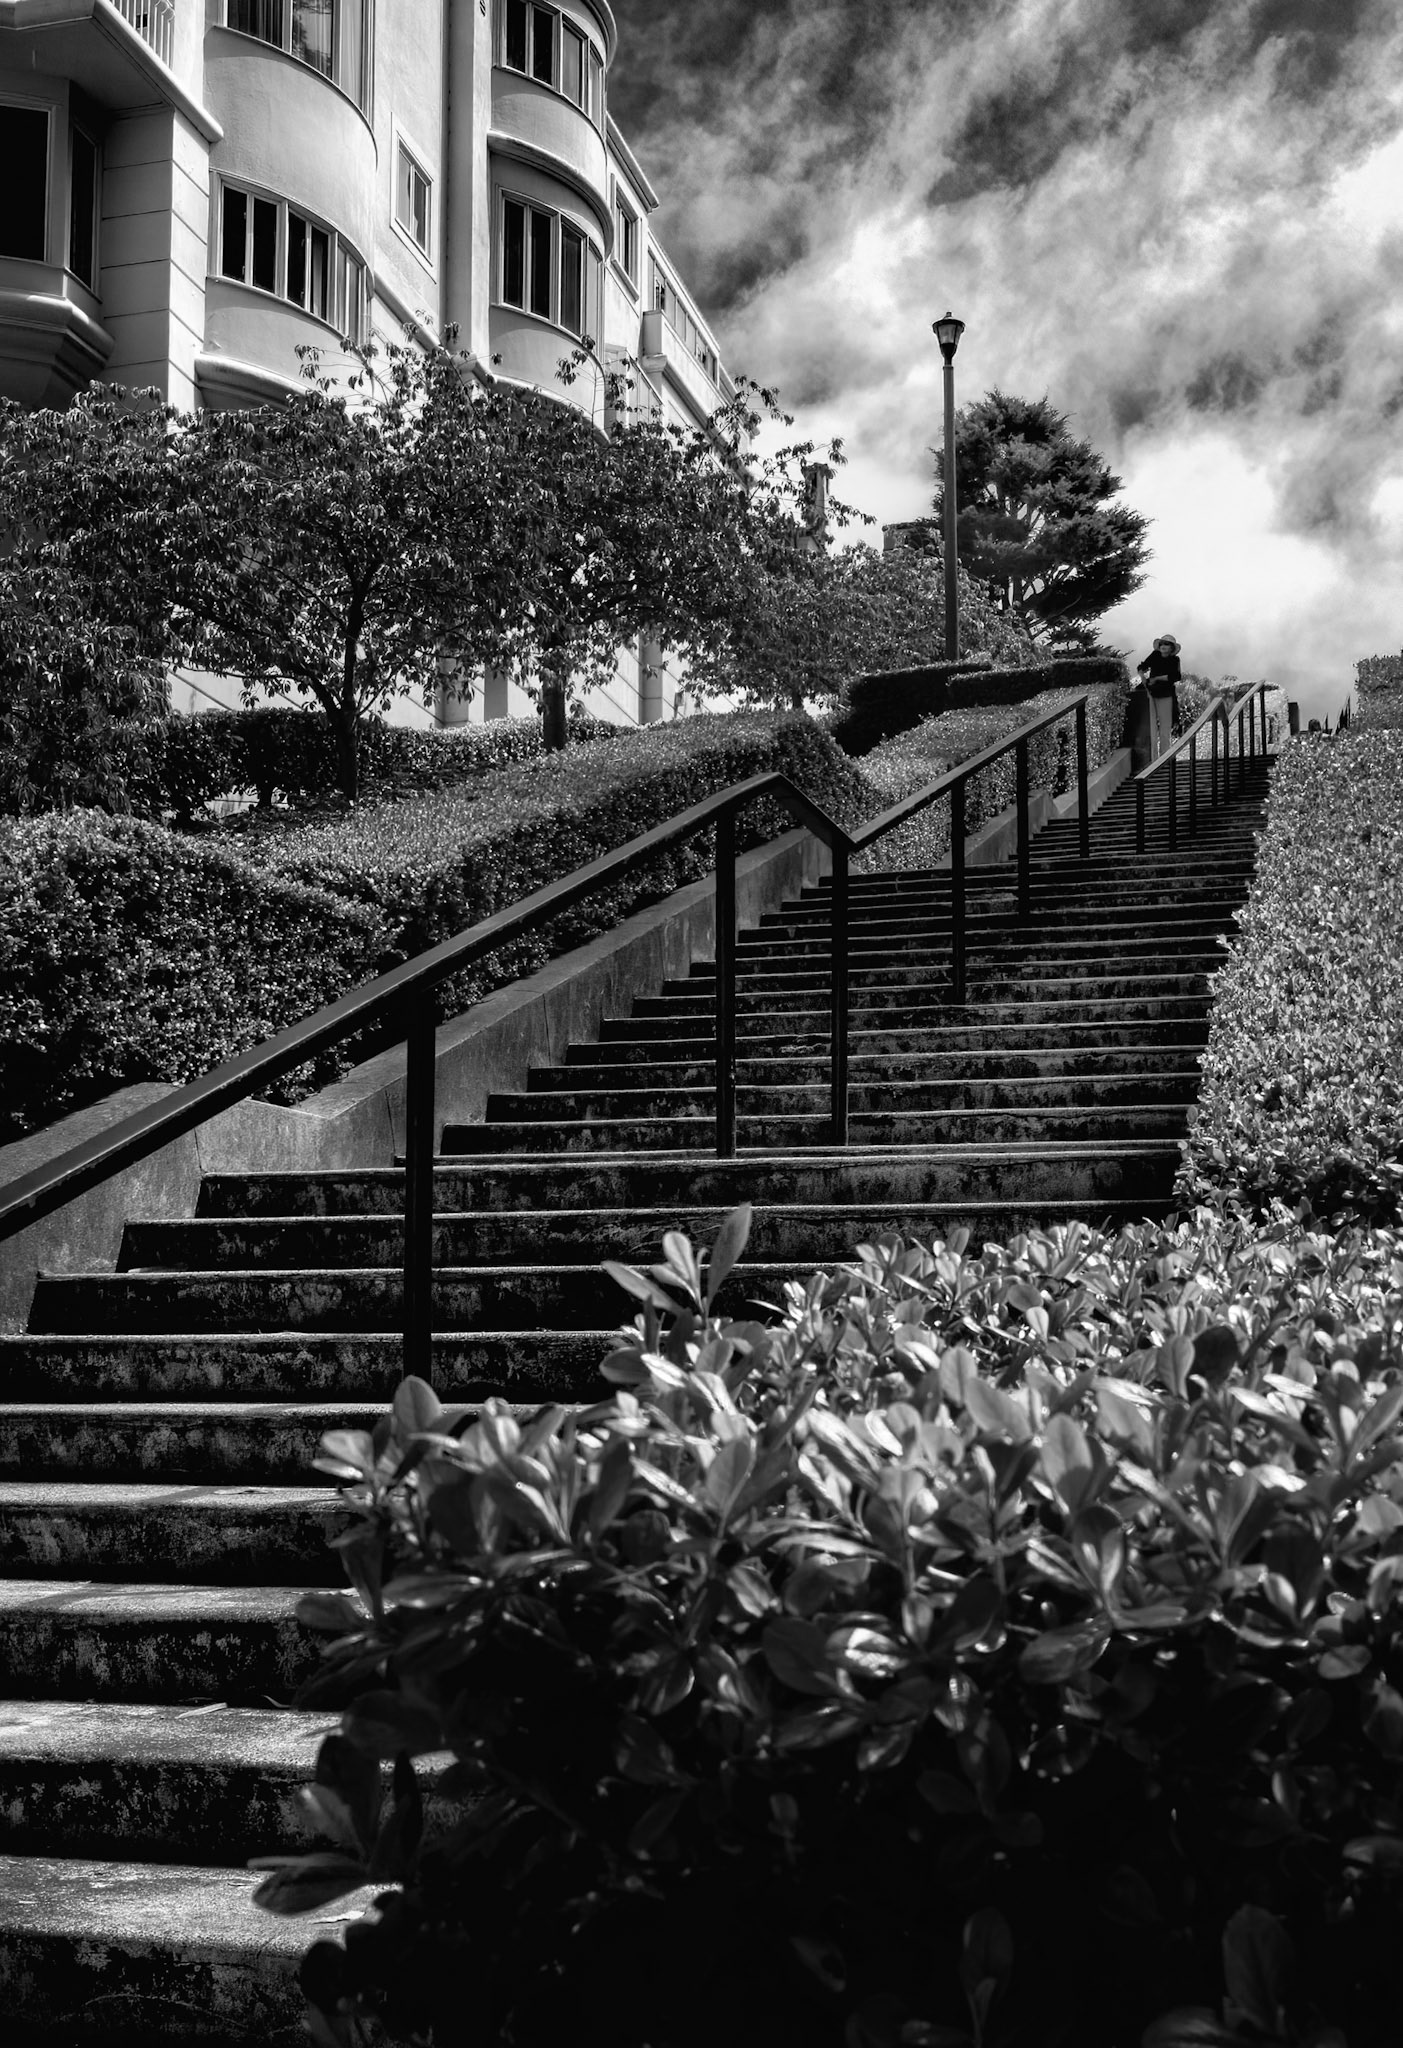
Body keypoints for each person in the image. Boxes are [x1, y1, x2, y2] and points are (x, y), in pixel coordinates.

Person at [1136, 634, 1182, 758]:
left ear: (1171, 648)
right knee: (1151, 728)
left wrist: (1156, 678)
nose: (1163, 646)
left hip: (1166, 695)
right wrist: (1143, 677)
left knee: (1165, 728)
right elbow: (1142, 666)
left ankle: (1165, 758)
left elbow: (1175, 676)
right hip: (1151, 694)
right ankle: (1153, 760)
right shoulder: (1155, 655)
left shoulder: (1174, 660)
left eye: (1166, 644)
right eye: (1162, 643)